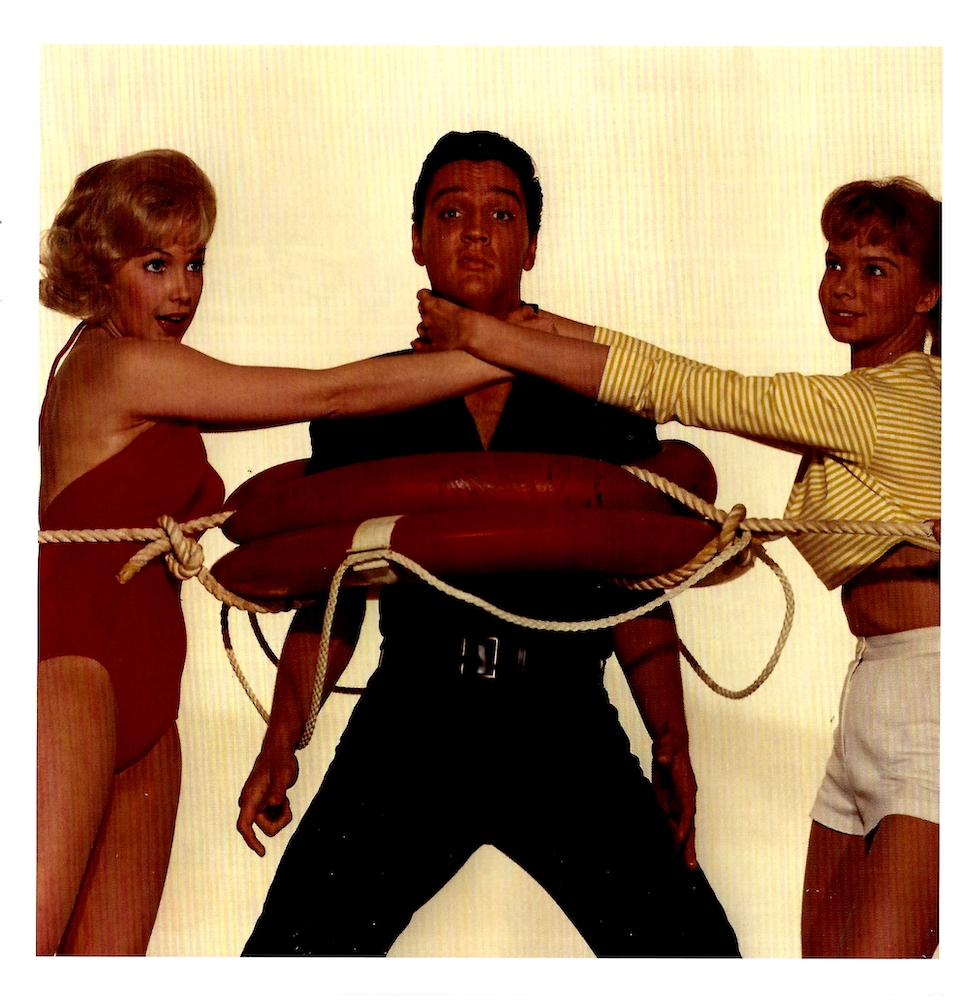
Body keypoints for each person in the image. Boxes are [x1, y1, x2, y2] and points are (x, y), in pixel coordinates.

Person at [237, 131, 740, 957]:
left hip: (562, 721)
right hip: (415, 719)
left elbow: (633, 579)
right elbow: (334, 595)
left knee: (693, 957)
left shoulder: (598, 400)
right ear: (417, 239)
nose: (475, 231)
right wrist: (280, 737)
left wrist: (671, 739)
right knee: (291, 955)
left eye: (501, 214)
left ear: (532, 245)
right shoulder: (363, 403)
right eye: (451, 213)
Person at [416, 176, 941, 958]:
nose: (843, 288)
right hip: (872, 691)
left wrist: (488, 337)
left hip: (935, 701)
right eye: (835, 264)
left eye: (875, 271)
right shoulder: (875, 396)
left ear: (929, 294)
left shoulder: (890, 402)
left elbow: (693, 391)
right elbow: (675, 372)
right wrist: (545, 326)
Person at [37, 148, 515, 956]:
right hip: (75, 668)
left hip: (152, 696)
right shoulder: (116, 365)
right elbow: (333, 394)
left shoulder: (151, 372)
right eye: (155, 265)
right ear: (97, 266)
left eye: (194, 262)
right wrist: (504, 350)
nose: (182, 290)